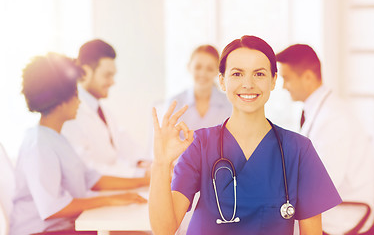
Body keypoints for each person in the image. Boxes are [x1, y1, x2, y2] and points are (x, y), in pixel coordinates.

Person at [149, 35, 342, 234]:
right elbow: (164, 229)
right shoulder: (200, 145)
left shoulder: (299, 150)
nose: (248, 84)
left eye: (259, 74)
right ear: (222, 81)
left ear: (273, 80)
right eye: (237, 74)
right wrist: (161, 164)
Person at [10, 53, 149, 235]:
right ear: (59, 102)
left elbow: (93, 179)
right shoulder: (38, 144)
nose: (79, 101)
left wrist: (146, 181)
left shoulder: (58, 138)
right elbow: (53, 208)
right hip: (41, 232)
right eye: (76, 94)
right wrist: (111, 200)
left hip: (63, 226)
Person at [277, 44, 374, 234]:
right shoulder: (319, 111)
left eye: (286, 79)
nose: (283, 86)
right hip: (334, 205)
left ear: (307, 77)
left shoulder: (333, 118)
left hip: (345, 213)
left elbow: (322, 184)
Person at [165, 45, 231, 235]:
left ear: (218, 73)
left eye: (210, 68)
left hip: (219, 185)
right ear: (189, 67)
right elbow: (165, 149)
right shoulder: (174, 103)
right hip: (181, 183)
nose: (203, 73)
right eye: (198, 67)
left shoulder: (228, 104)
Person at [62, 39, 147, 175]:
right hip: (96, 193)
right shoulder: (70, 114)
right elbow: (87, 171)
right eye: (107, 75)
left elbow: (124, 146)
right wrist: (140, 174)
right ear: (85, 72)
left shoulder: (104, 112)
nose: (112, 82)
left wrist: (143, 164)